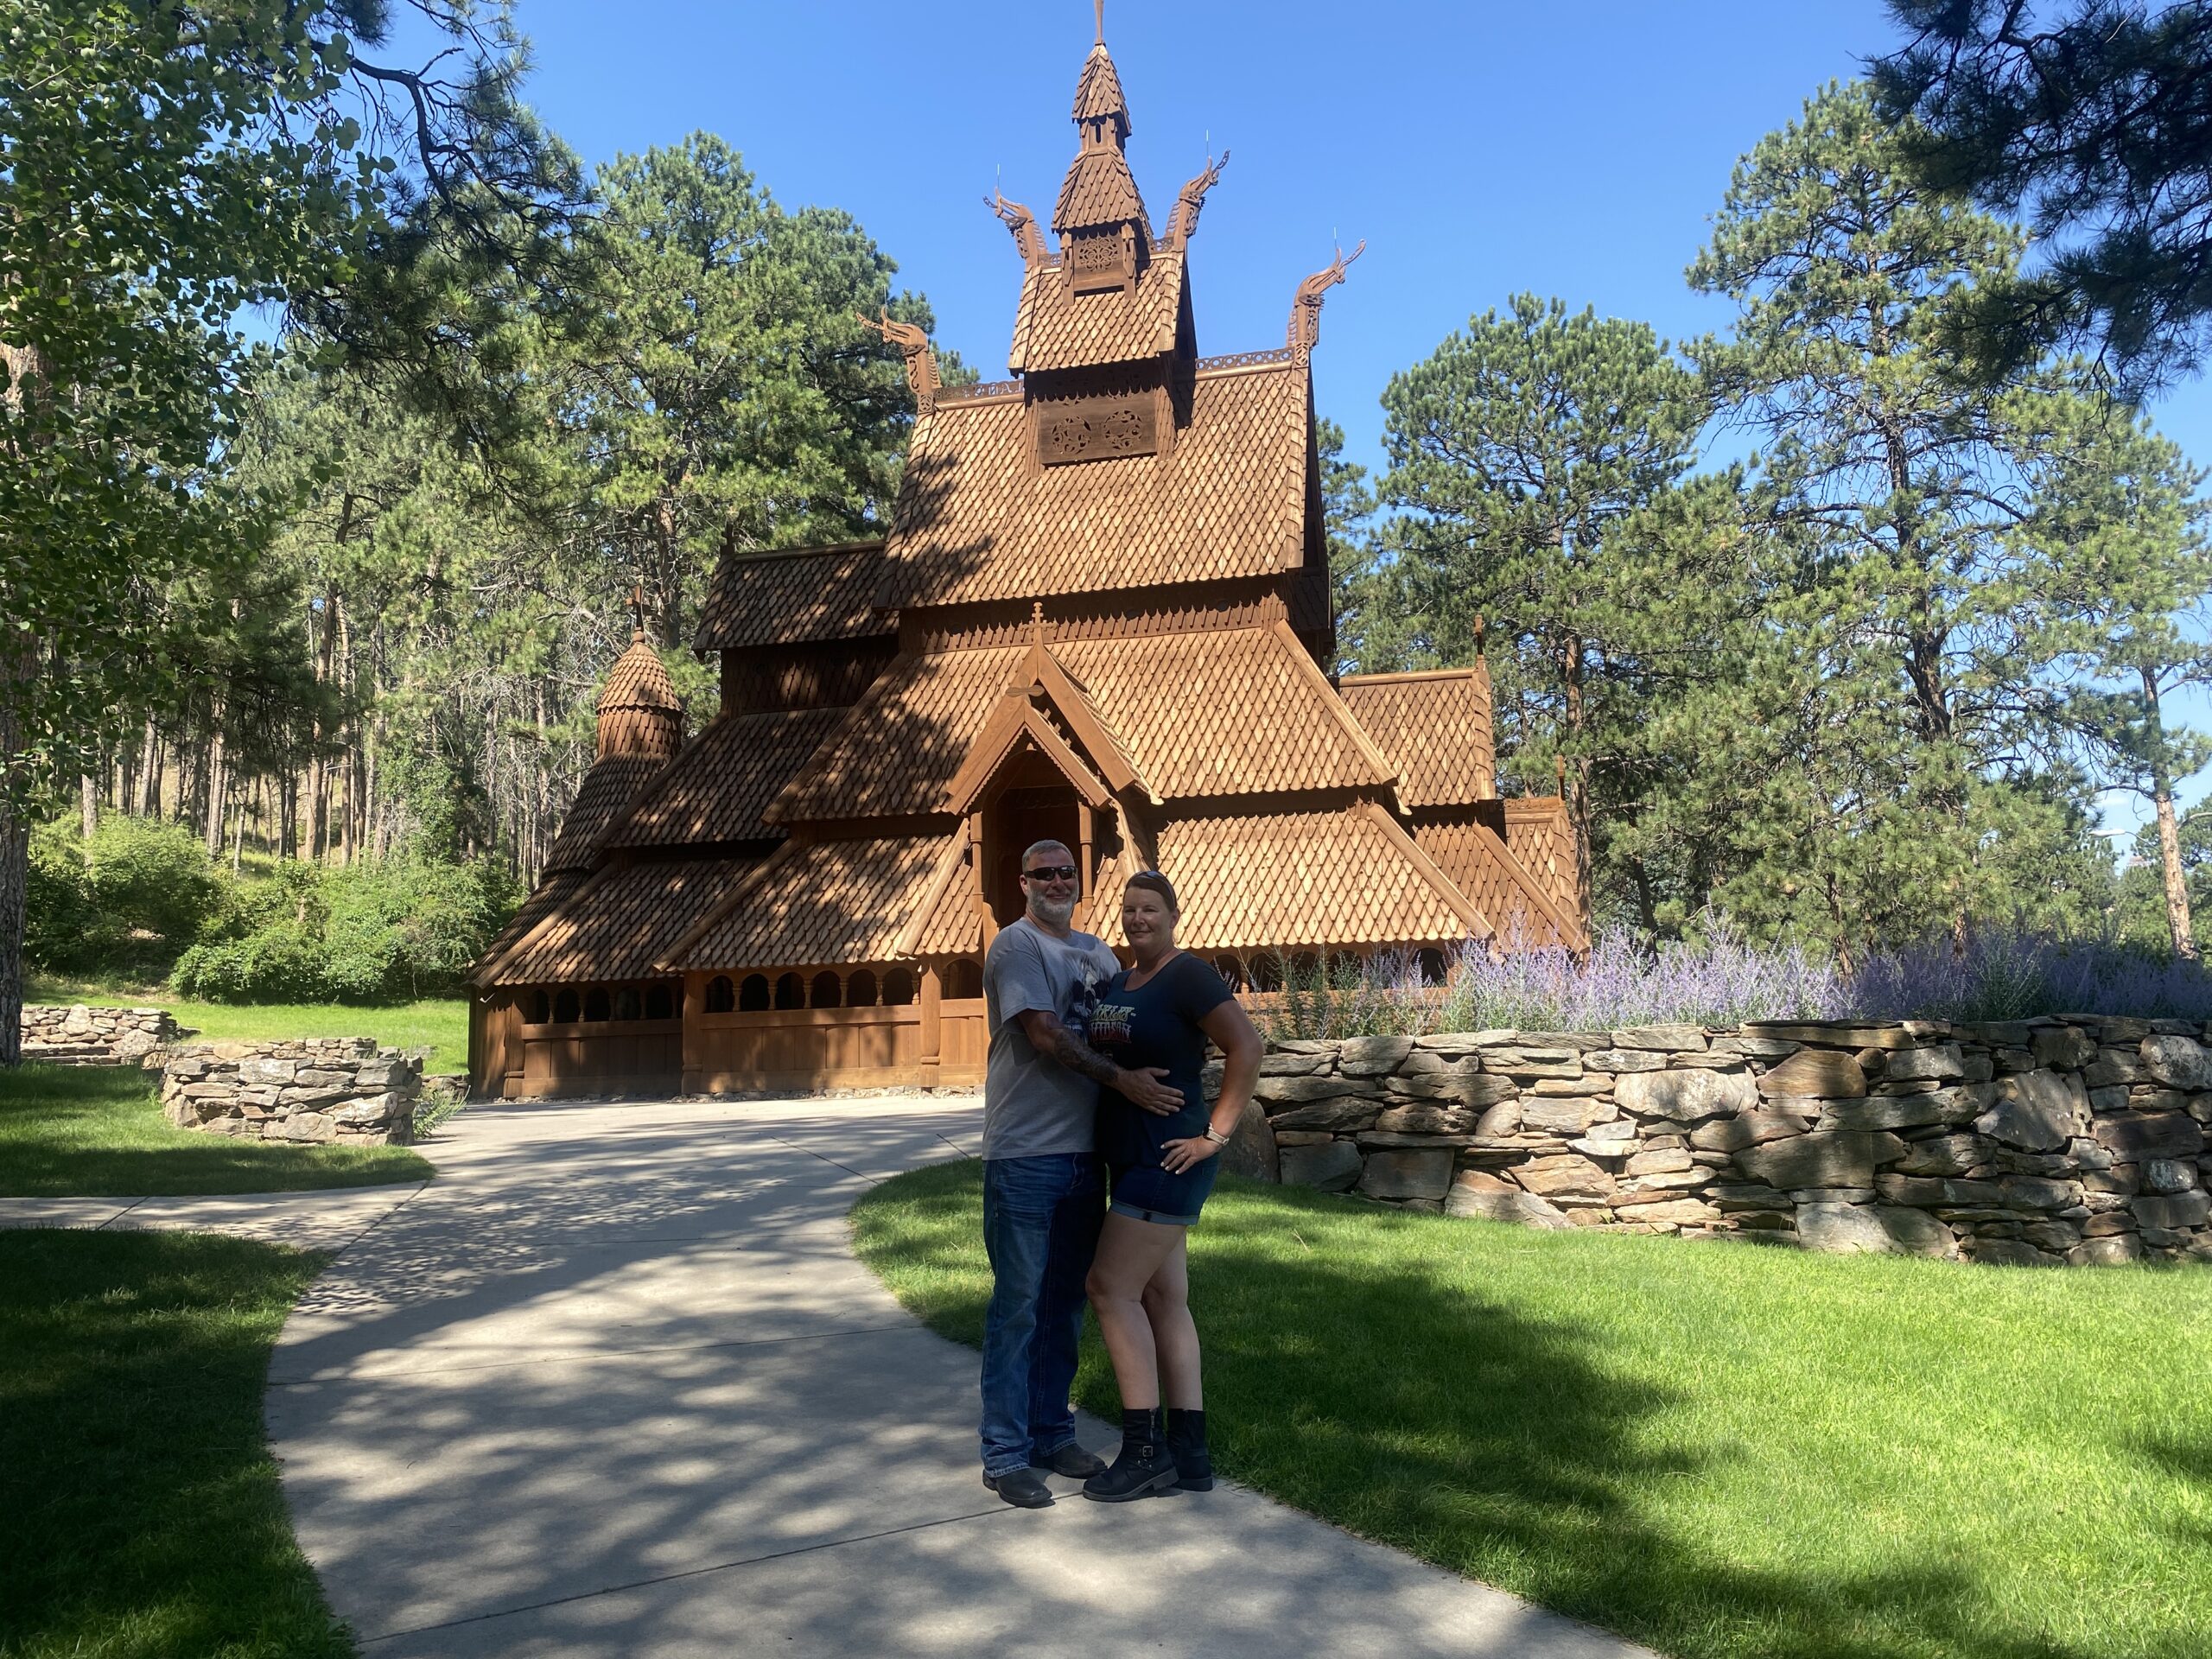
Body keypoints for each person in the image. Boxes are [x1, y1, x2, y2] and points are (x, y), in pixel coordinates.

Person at [977, 839, 1184, 1510]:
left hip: (1083, 1156)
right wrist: (1123, 1082)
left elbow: (1136, 1023)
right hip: (1025, 1155)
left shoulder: (1099, 955)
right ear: (1024, 883)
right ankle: (1005, 1454)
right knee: (1016, 1309)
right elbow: (1044, 1032)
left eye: (1067, 872)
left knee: (1066, 1304)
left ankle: (1050, 1432)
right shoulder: (1016, 947)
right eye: (1044, 873)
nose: (1057, 881)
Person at [1078, 869, 1262, 1501]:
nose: (1137, 919)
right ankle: (1190, 1455)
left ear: (1172, 914)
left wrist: (1216, 1135)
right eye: (1129, 909)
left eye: (1149, 908)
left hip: (1170, 1158)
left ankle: (1143, 1452)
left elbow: (1247, 1046)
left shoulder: (1188, 975)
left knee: (1109, 1288)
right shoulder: (1121, 981)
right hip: (1128, 1154)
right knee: (1163, 1301)